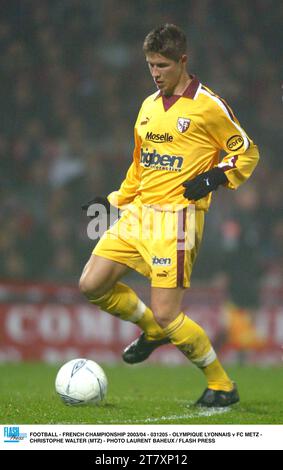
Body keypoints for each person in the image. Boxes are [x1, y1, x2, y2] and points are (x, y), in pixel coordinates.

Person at [79, 24, 259, 407]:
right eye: (149, 65)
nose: (155, 73)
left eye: (161, 65)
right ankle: (151, 331)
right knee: (91, 284)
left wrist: (213, 177)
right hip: (139, 214)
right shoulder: (147, 106)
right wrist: (115, 200)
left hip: (177, 219)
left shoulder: (209, 105)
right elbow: (140, 165)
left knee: (166, 313)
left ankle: (222, 385)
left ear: (183, 60)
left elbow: (246, 152)